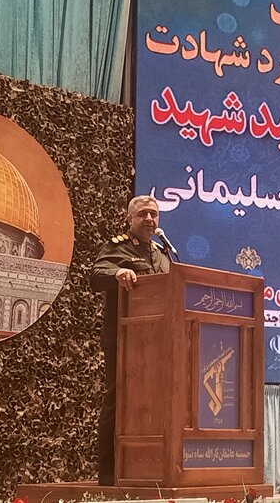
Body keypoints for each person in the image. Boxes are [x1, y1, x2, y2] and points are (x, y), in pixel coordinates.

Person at [89, 195, 171, 485]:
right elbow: (95, 276)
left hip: (159, 344)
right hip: (125, 341)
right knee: (119, 400)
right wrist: (117, 272)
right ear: (129, 219)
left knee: (156, 403)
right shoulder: (118, 247)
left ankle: (148, 471)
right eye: (143, 214)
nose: (149, 219)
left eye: (154, 214)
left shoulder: (162, 255)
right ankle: (108, 476)